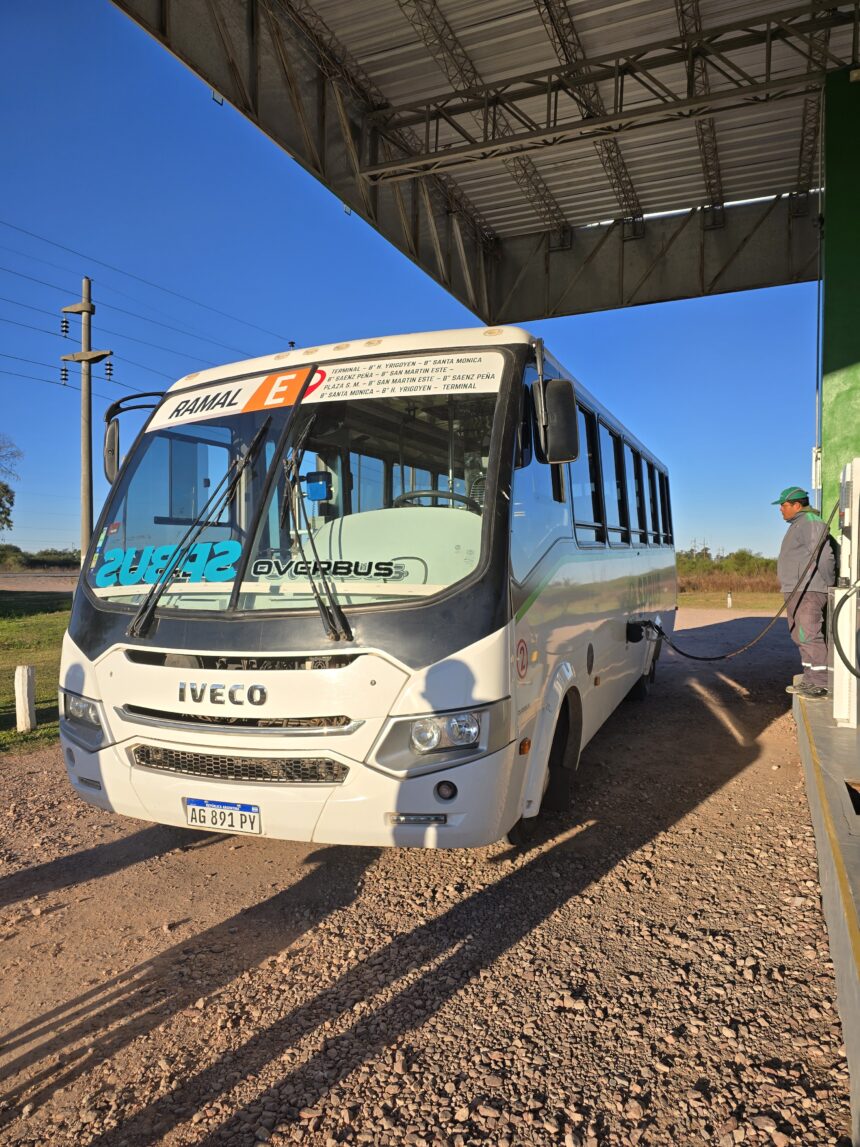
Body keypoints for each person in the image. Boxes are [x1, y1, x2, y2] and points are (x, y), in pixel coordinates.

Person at [773, 485, 836, 698]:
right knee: (799, 635)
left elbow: (824, 556)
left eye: (783, 505)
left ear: (797, 505)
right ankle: (810, 680)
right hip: (795, 590)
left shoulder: (811, 523)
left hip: (809, 591)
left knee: (809, 634)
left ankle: (820, 683)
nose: (781, 509)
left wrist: (828, 584)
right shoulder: (797, 525)